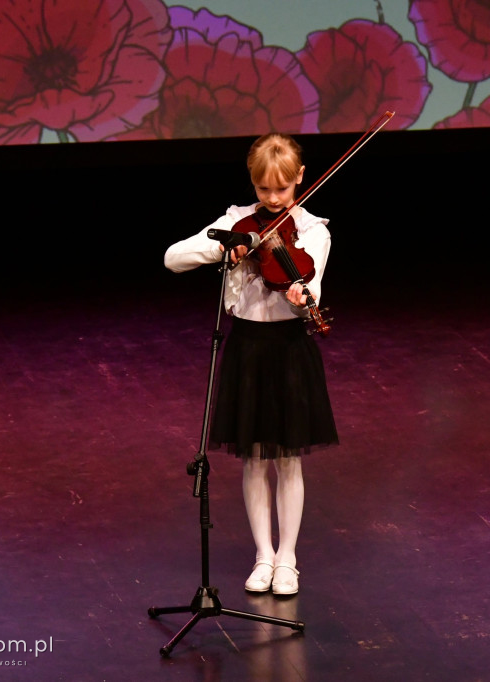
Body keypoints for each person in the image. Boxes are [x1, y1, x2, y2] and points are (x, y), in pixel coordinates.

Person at [164, 133, 338, 595]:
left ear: (300, 179)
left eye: (282, 189)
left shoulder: (312, 230)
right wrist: (225, 248)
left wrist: (305, 296)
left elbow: (312, 282)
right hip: (246, 346)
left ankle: (288, 560)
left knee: (287, 458)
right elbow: (173, 258)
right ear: (253, 184)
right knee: (254, 459)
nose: (273, 198)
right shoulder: (236, 223)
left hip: (288, 348)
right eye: (264, 190)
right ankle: (263, 556)